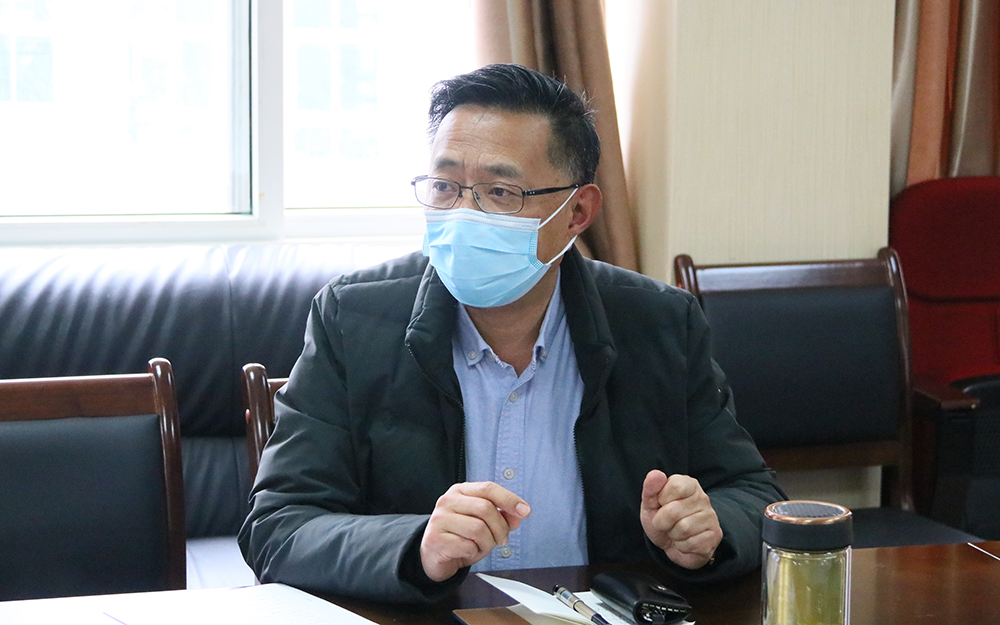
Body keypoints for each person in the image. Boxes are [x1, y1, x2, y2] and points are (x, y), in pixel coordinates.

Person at [239, 63, 785, 602]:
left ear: (577, 212)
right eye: (445, 186)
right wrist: (415, 546)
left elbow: (753, 495)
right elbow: (279, 525)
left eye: (500, 192)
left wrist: (708, 532)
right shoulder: (353, 319)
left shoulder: (660, 324)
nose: (463, 213)